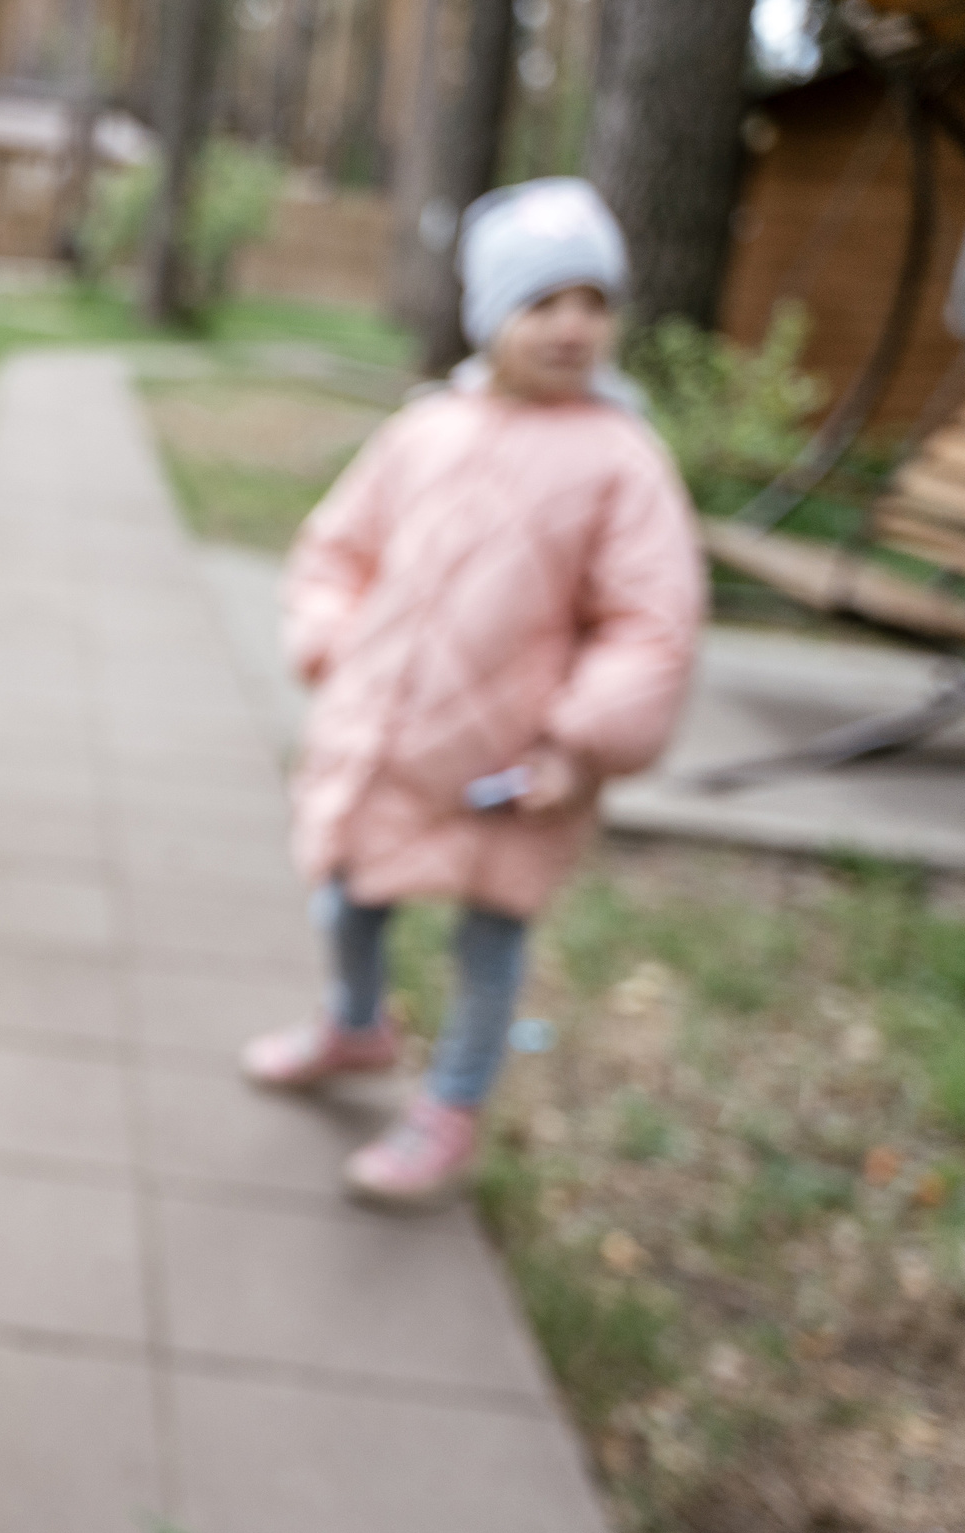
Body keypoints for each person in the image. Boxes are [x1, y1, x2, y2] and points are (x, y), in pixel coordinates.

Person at [239, 177, 704, 1211]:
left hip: (513, 765)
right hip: (391, 741)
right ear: (492, 315)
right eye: (545, 302)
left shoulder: (620, 463)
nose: (573, 325)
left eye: (594, 302)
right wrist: (331, 645)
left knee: (488, 940)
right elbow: (336, 547)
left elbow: (651, 625)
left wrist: (579, 745)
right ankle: (356, 1024)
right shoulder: (425, 432)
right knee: (347, 894)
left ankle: (450, 1106)